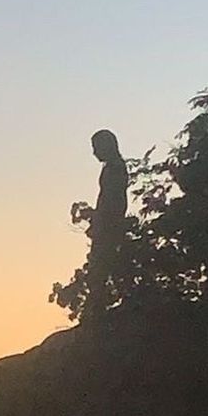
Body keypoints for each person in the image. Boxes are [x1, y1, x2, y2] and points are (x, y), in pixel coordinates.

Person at [86, 129, 129, 316]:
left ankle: (98, 310)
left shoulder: (115, 168)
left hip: (109, 226)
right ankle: (97, 308)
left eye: (96, 148)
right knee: (100, 270)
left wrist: (102, 223)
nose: (94, 152)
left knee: (100, 269)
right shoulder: (112, 167)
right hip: (107, 224)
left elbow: (112, 201)